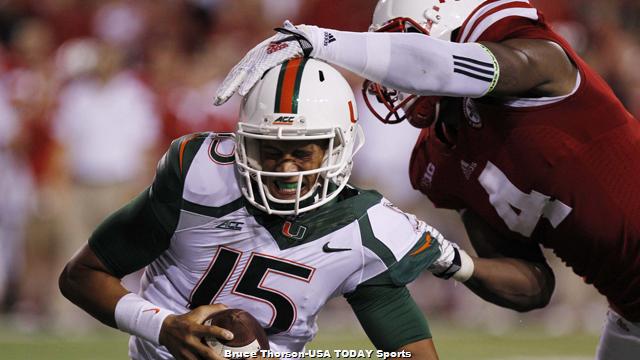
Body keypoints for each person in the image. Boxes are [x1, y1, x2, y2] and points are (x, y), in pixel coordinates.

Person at [213, 1, 640, 359]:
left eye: (400, 42)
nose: (388, 76)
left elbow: (433, 67)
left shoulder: (541, 63)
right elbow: (534, 285)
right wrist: (455, 262)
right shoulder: (440, 161)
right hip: (629, 311)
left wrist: (322, 40)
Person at [58, 58, 468, 360]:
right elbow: (82, 276)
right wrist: (163, 328)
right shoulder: (200, 177)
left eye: (302, 153)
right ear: (243, 144)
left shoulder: (364, 228)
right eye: (269, 151)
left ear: (336, 147)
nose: (285, 169)